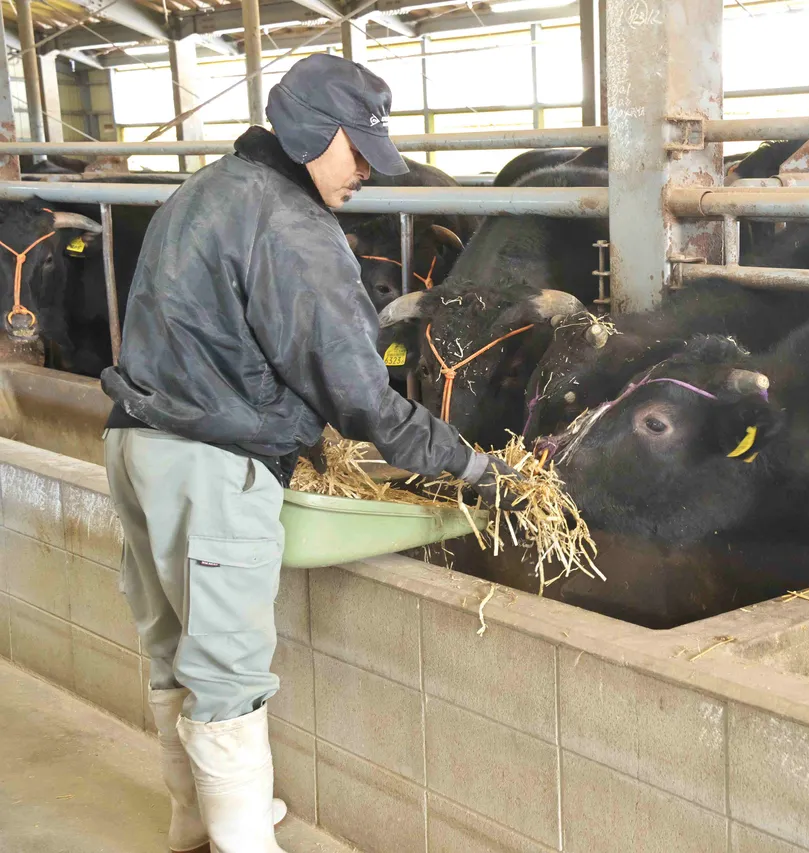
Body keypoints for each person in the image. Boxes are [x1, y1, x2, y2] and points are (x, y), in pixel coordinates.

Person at [100, 54, 519, 853]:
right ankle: (242, 841)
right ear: (308, 132)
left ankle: (194, 819)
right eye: (355, 148)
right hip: (210, 462)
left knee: (171, 646)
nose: (365, 169)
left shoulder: (202, 191)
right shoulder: (293, 226)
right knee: (229, 671)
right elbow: (359, 396)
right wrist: (470, 466)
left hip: (135, 443)